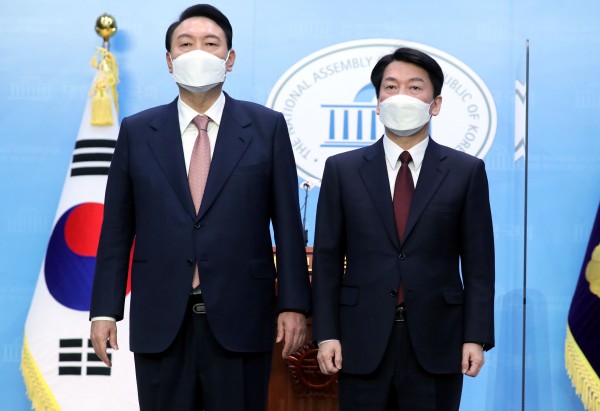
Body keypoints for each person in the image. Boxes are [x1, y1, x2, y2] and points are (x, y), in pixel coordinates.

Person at [89, 4, 311, 410]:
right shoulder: (138, 131)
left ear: (230, 58)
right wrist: (104, 310)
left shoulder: (266, 127)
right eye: (185, 44)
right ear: (169, 61)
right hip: (161, 319)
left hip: (243, 316)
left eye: (211, 44)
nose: (198, 53)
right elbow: (117, 229)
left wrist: (294, 304)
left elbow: (288, 224)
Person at [312, 47, 495, 411]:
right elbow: (328, 260)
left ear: (435, 104)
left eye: (414, 87)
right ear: (378, 103)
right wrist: (326, 334)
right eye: (391, 87)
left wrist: (475, 336)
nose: (401, 96)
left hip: (438, 340)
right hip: (360, 339)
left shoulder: (466, 172)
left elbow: (479, 265)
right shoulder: (342, 170)